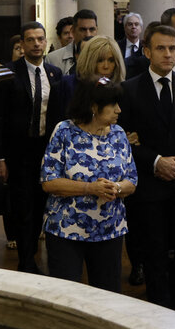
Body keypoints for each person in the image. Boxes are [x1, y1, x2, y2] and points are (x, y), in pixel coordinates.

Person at [118, 25, 175, 311]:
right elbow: (124, 139)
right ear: (147, 51)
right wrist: (157, 161)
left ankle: (172, 302)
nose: (168, 54)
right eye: (161, 48)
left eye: (173, 48)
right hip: (149, 186)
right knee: (154, 255)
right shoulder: (130, 89)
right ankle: (160, 311)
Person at [41, 79, 138, 292]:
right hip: (66, 232)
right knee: (66, 298)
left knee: (107, 298)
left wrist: (116, 188)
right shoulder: (64, 131)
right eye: (113, 105)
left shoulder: (119, 134)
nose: (119, 110)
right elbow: (48, 182)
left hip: (110, 232)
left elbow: (132, 181)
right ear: (94, 106)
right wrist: (90, 188)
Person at [0, 22, 64, 273]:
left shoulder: (55, 74)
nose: (36, 44)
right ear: (22, 44)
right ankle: (26, 261)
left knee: (42, 203)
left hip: (46, 151)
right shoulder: (8, 74)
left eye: (40, 39)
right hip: (18, 152)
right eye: (30, 40)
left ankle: (32, 251)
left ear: (45, 42)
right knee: (23, 207)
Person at [59, 36, 126, 114]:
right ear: (89, 61)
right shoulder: (68, 85)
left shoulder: (122, 90)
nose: (106, 66)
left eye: (111, 60)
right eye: (100, 60)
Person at [46, 9, 99, 75]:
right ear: (73, 31)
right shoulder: (53, 59)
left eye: (92, 29)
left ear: (97, 30)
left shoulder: (106, 56)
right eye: (82, 30)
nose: (88, 34)